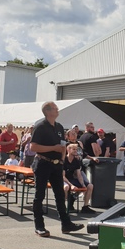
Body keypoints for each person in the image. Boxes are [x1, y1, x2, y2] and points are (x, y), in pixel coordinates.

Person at [30, 101, 83, 237]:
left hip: (56, 165)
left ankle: (66, 224)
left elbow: (63, 146)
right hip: (42, 163)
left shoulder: (59, 127)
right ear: (48, 111)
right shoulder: (40, 126)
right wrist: (53, 148)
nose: (58, 110)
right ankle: (39, 226)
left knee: (60, 195)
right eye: (55, 108)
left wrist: (61, 160)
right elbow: (33, 147)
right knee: (39, 195)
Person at [63, 143, 95, 214]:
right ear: (68, 150)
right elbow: (63, 176)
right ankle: (62, 207)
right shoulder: (64, 160)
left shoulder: (76, 161)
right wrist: (71, 185)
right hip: (64, 179)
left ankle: (85, 207)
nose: (76, 151)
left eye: (76, 150)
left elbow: (79, 174)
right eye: (74, 149)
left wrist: (83, 184)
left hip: (72, 179)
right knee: (66, 187)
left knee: (90, 186)